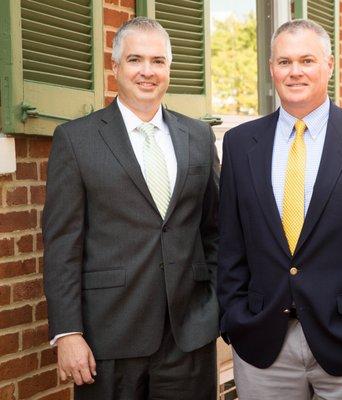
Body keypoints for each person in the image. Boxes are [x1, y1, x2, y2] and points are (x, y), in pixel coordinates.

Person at [218, 19, 342, 400]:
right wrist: (234, 319)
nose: (295, 71)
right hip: (262, 345)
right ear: (271, 68)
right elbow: (230, 242)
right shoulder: (239, 143)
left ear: (329, 65)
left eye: (307, 60)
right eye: (284, 62)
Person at [42, 17, 219, 400]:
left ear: (168, 69)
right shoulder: (76, 140)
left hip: (189, 336)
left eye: (158, 61)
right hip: (108, 338)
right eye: (136, 59)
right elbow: (62, 245)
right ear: (116, 66)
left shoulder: (200, 137)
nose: (147, 72)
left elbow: (214, 230)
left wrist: (215, 306)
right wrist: (68, 332)